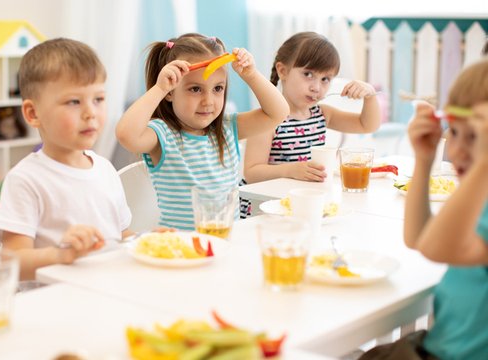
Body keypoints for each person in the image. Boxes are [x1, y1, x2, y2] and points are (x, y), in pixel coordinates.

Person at [362, 58, 488, 360]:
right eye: (454, 132)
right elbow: (418, 238)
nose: (456, 150)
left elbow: (433, 247)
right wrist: (423, 159)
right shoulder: (479, 199)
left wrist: (483, 163)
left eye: (475, 137)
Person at [116, 33, 289, 230]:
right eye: (195, 89)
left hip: (226, 245)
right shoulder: (163, 135)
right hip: (181, 249)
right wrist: (160, 88)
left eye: (217, 88)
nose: (208, 101)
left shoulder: (227, 128)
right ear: (171, 92)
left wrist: (251, 75)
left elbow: (279, 112)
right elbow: (126, 134)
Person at [0, 38, 133, 280]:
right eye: (74, 102)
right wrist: (59, 254)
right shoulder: (25, 180)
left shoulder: (106, 170)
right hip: (53, 303)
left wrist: (150, 242)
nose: (90, 113)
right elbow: (11, 261)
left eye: (98, 99)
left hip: (107, 292)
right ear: (33, 113)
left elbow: (123, 237)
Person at [241, 32, 381, 217]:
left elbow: (366, 125)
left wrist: (370, 96)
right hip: (264, 208)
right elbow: (252, 172)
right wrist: (291, 170)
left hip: (300, 204)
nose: (317, 87)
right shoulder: (268, 119)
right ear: (283, 71)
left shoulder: (322, 114)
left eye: (325, 79)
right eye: (308, 74)